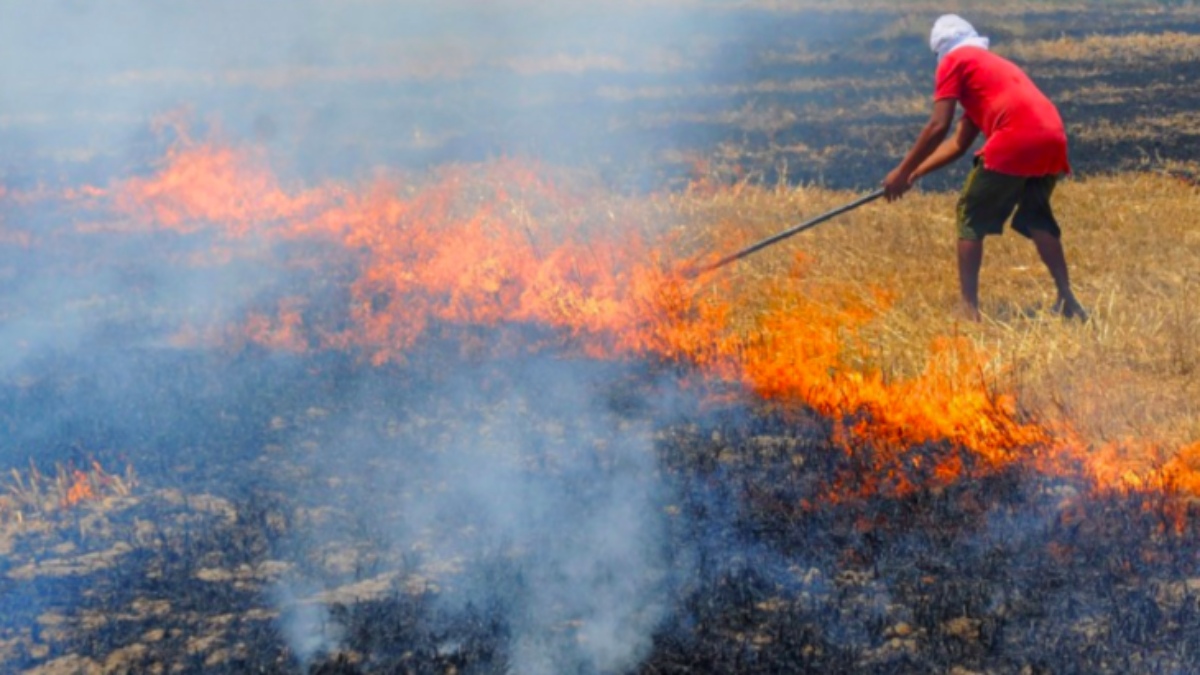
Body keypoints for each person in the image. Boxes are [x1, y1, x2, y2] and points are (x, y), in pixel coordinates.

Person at [882, 14, 1087, 322]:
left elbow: (939, 125)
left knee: (970, 212)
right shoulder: (987, 72)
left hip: (1016, 137)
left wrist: (900, 171)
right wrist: (915, 174)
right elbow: (958, 143)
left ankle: (968, 309)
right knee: (1036, 215)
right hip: (1052, 136)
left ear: (941, 52)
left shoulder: (955, 61)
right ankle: (1068, 299)